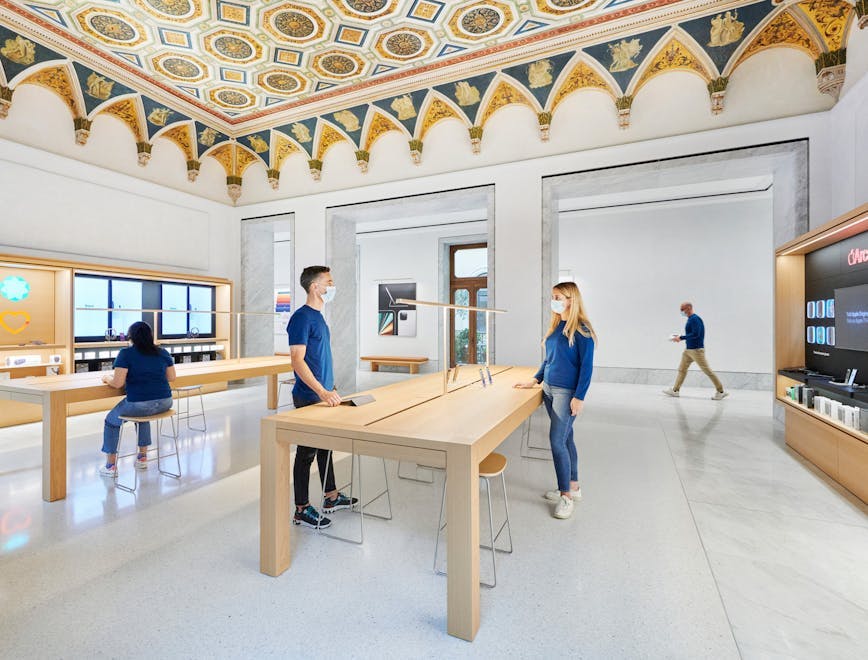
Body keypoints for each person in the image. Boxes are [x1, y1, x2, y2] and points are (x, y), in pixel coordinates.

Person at [515, 281, 595, 520]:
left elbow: (587, 368)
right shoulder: (556, 326)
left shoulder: (582, 330)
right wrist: (535, 380)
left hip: (565, 393)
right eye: (553, 296)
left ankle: (566, 497)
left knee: (556, 442)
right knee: (566, 438)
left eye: (558, 296)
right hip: (549, 389)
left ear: (571, 299)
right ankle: (574, 487)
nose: (554, 300)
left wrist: (579, 397)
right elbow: (549, 360)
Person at [287, 265, 357, 529]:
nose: (332, 286)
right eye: (329, 281)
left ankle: (331, 496)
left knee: (325, 446)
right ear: (315, 287)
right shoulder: (302, 318)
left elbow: (320, 358)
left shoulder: (318, 317)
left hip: (325, 393)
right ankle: (301, 509)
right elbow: (297, 360)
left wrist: (331, 386)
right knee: (306, 453)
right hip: (308, 396)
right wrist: (321, 390)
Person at [99, 321, 175, 476]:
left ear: (131, 337)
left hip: (139, 403)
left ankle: (110, 466)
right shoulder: (162, 352)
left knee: (111, 422)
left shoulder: (126, 354)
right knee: (143, 417)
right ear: (150, 336)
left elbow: (118, 382)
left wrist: (107, 378)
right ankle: (142, 458)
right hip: (166, 402)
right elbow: (172, 377)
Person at [663, 302, 729, 400]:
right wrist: (679, 337)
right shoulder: (690, 319)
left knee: (707, 371)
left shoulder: (695, 319)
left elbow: (696, 334)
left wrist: (681, 337)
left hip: (697, 351)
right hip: (688, 350)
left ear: (689, 308)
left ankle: (721, 391)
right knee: (682, 369)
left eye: (683, 309)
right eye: (681, 309)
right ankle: (675, 390)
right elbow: (691, 334)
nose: (681, 312)